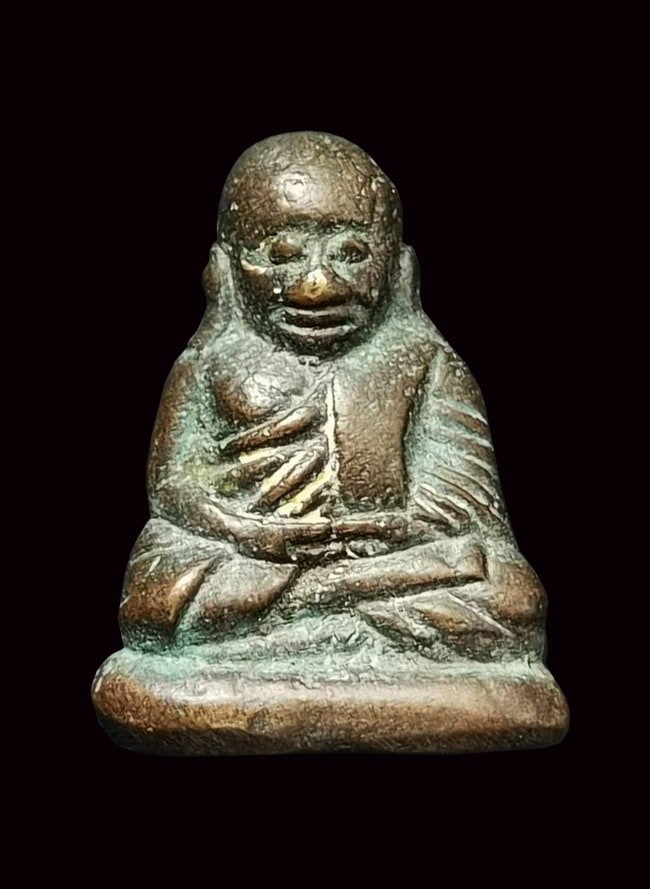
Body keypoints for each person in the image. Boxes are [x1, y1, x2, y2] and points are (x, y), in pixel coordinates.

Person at [118, 131, 546, 665]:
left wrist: (386, 528)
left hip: (384, 552)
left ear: (399, 268)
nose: (316, 285)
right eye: (282, 255)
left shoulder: (427, 363)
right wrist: (249, 532)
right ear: (224, 269)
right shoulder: (206, 365)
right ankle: (337, 621)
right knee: (155, 599)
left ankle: (294, 625)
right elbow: (172, 489)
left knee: (513, 597)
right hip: (252, 555)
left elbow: (468, 507)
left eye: (351, 253)